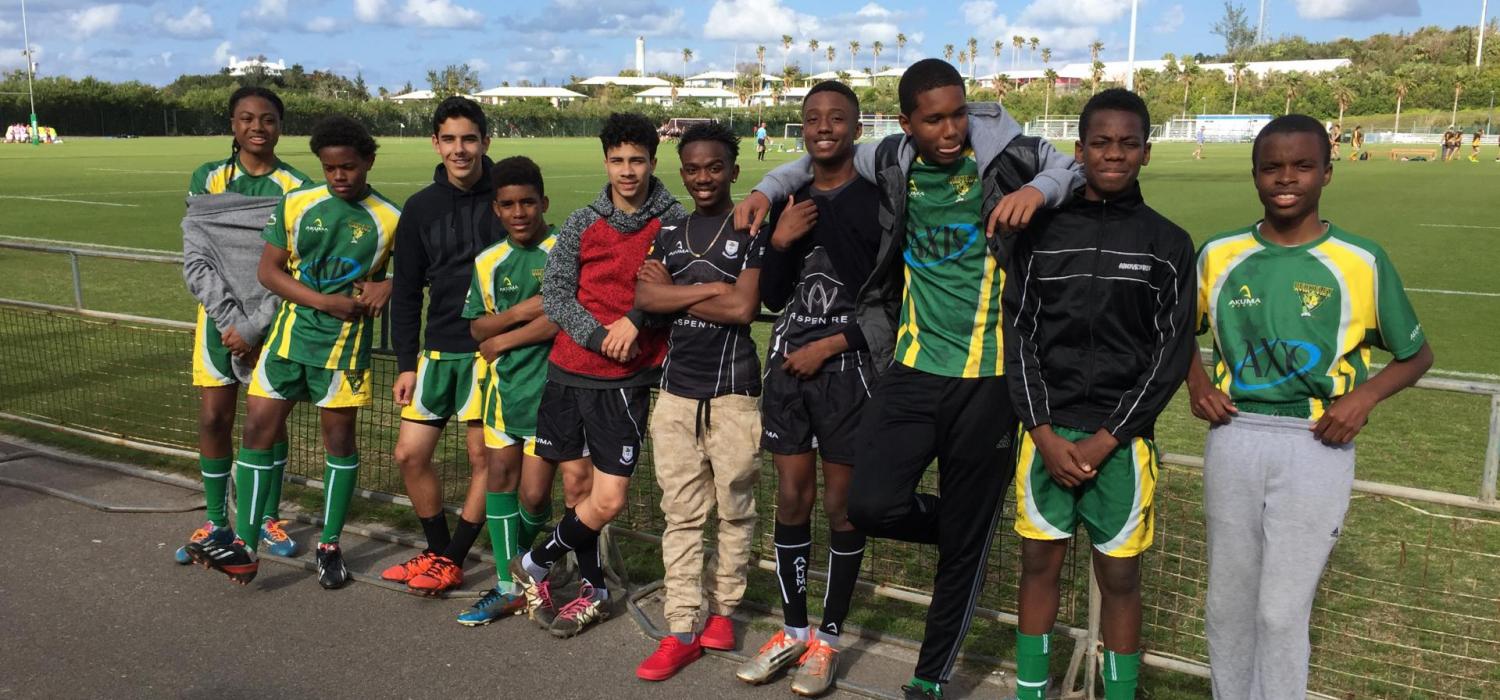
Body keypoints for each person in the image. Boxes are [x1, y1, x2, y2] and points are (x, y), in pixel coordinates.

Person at [735, 58, 1082, 699]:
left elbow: (1073, 164)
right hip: (913, 367)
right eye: (933, 119)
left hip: (989, 378)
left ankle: (928, 678)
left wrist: (1038, 191)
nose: (950, 131)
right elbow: (819, 158)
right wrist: (764, 187)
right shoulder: (891, 160)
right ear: (905, 123)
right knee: (868, 504)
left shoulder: (1005, 156)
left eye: (957, 114)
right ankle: (966, 532)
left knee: (956, 558)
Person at [1188, 113, 1433, 699]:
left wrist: (1364, 397)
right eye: (1271, 167)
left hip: (1316, 442)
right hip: (1236, 435)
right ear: (1254, 176)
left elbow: (1415, 355)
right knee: (1228, 605)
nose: (1286, 178)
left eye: (1302, 165)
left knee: (1279, 612)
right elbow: (1172, 334)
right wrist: (1197, 383)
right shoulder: (1218, 255)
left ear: (1327, 170)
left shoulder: (1360, 260)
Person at [1005, 89, 1195, 700]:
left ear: (1145, 151)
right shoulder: (1041, 235)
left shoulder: (1167, 243)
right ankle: (1031, 691)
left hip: (1121, 445)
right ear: (1080, 149)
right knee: (1039, 570)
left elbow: (1169, 356)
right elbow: (1020, 333)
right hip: (1047, 437)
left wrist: (1111, 438)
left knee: (1120, 578)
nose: (1114, 154)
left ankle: (1118, 693)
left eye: (1128, 143)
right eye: (1101, 143)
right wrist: (1042, 431)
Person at [187, 116, 398, 589]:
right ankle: (244, 545)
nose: (339, 176)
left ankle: (329, 544)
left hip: (342, 351)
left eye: (348, 166)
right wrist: (324, 301)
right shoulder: (297, 203)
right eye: (329, 168)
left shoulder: (391, 217)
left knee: (338, 443)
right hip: (286, 340)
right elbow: (269, 271)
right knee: (258, 429)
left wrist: (392, 283)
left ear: (368, 161)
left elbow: (423, 270)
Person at [509, 112, 688, 638]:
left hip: (627, 379)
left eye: (637, 160)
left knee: (607, 500)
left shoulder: (672, 220)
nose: (627, 171)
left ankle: (536, 561)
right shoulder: (584, 220)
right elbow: (557, 294)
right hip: (569, 371)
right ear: (605, 161)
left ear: (654, 162)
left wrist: (636, 323)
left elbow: (675, 291)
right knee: (576, 490)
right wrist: (595, 336)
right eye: (617, 160)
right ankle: (594, 591)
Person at [735, 81, 881, 697]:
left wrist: (832, 344)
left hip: (848, 373)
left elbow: (890, 299)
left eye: (837, 117)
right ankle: (793, 631)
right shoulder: (787, 197)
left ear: (854, 125)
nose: (825, 126)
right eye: (813, 118)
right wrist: (781, 240)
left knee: (841, 507)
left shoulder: (878, 198)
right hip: (787, 375)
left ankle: (830, 637)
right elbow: (769, 297)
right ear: (802, 128)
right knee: (790, 498)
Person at [630, 121, 765, 682]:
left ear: (734, 170)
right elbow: (645, 297)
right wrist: (714, 288)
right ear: (680, 172)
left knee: (735, 508)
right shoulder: (669, 232)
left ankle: (725, 610)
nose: (703, 177)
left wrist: (677, 295)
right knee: (681, 514)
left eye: (714, 167)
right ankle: (681, 626)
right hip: (677, 393)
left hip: (735, 393)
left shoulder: (752, 228)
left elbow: (744, 311)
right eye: (692, 168)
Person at [176, 86, 311, 567]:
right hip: (217, 319)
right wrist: (231, 321)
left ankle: (266, 517)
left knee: (267, 422)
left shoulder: (297, 186)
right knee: (215, 417)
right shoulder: (208, 178)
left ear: (280, 125)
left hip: (271, 321)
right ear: (233, 124)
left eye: (268, 118)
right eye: (247, 118)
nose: (258, 126)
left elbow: (295, 265)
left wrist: (256, 325)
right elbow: (199, 255)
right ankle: (216, 519)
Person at [378, 96, 504, 596]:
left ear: (485, 142)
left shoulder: (507, 197)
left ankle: (451, 559)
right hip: (435, 354)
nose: (460, 149)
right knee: (409, 455)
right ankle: (437, 550)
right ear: (436, 143)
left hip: (489, 355)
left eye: (469, 139)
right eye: (449, 139)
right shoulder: (420, 207)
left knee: (483, 460)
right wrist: (406, 363)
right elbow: (406, 290)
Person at [456, 155, 562, 626]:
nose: (519, 212)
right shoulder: (488, 260)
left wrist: (505, 335)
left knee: (536, 496)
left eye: (527, 203)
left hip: (552, 392)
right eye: (508, 205)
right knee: (500, 479)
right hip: (503, 392)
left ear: (543, 202)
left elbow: (562, 317)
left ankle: (527, 569)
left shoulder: (563, 251)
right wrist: (520, 314)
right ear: (496, 210)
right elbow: (477, 327)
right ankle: (508, 584)